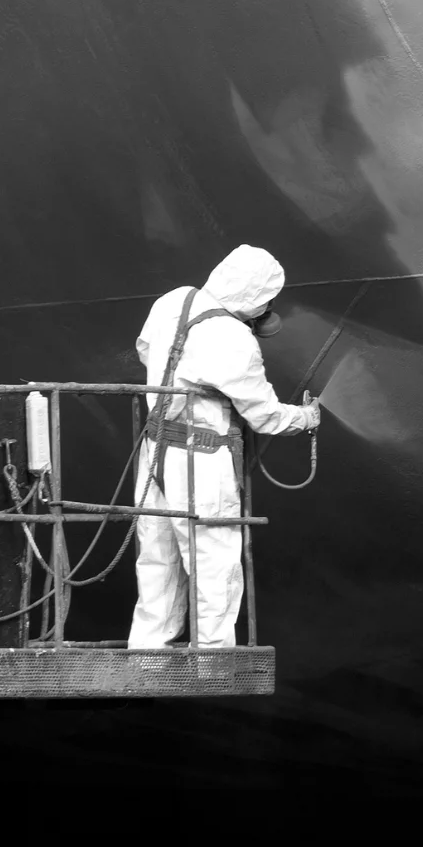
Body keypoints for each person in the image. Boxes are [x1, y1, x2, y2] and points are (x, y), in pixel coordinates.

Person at [127, 244, 320, 650]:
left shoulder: (174, 300)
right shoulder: (234, 338)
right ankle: (213, 659)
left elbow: (146, 349)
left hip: (155, 450)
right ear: (256, 297)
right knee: (213, 559)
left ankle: (147, 654)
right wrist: (305, 418)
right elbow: (264, 415)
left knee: (157, 556)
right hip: (202, 456)